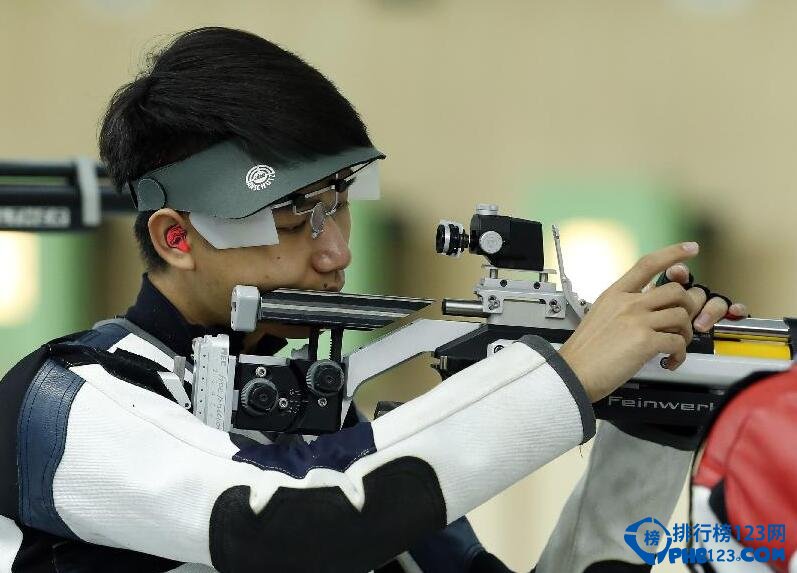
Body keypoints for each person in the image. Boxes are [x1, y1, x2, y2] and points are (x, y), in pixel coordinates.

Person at [0, 27, 745, 573]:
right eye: (295, 221)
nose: (335, 252)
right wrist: (568, 377)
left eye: (340, 206)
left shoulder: (318, 427)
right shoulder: (66, 400)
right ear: (176, 238)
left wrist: (648, 429)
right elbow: (289, 521)